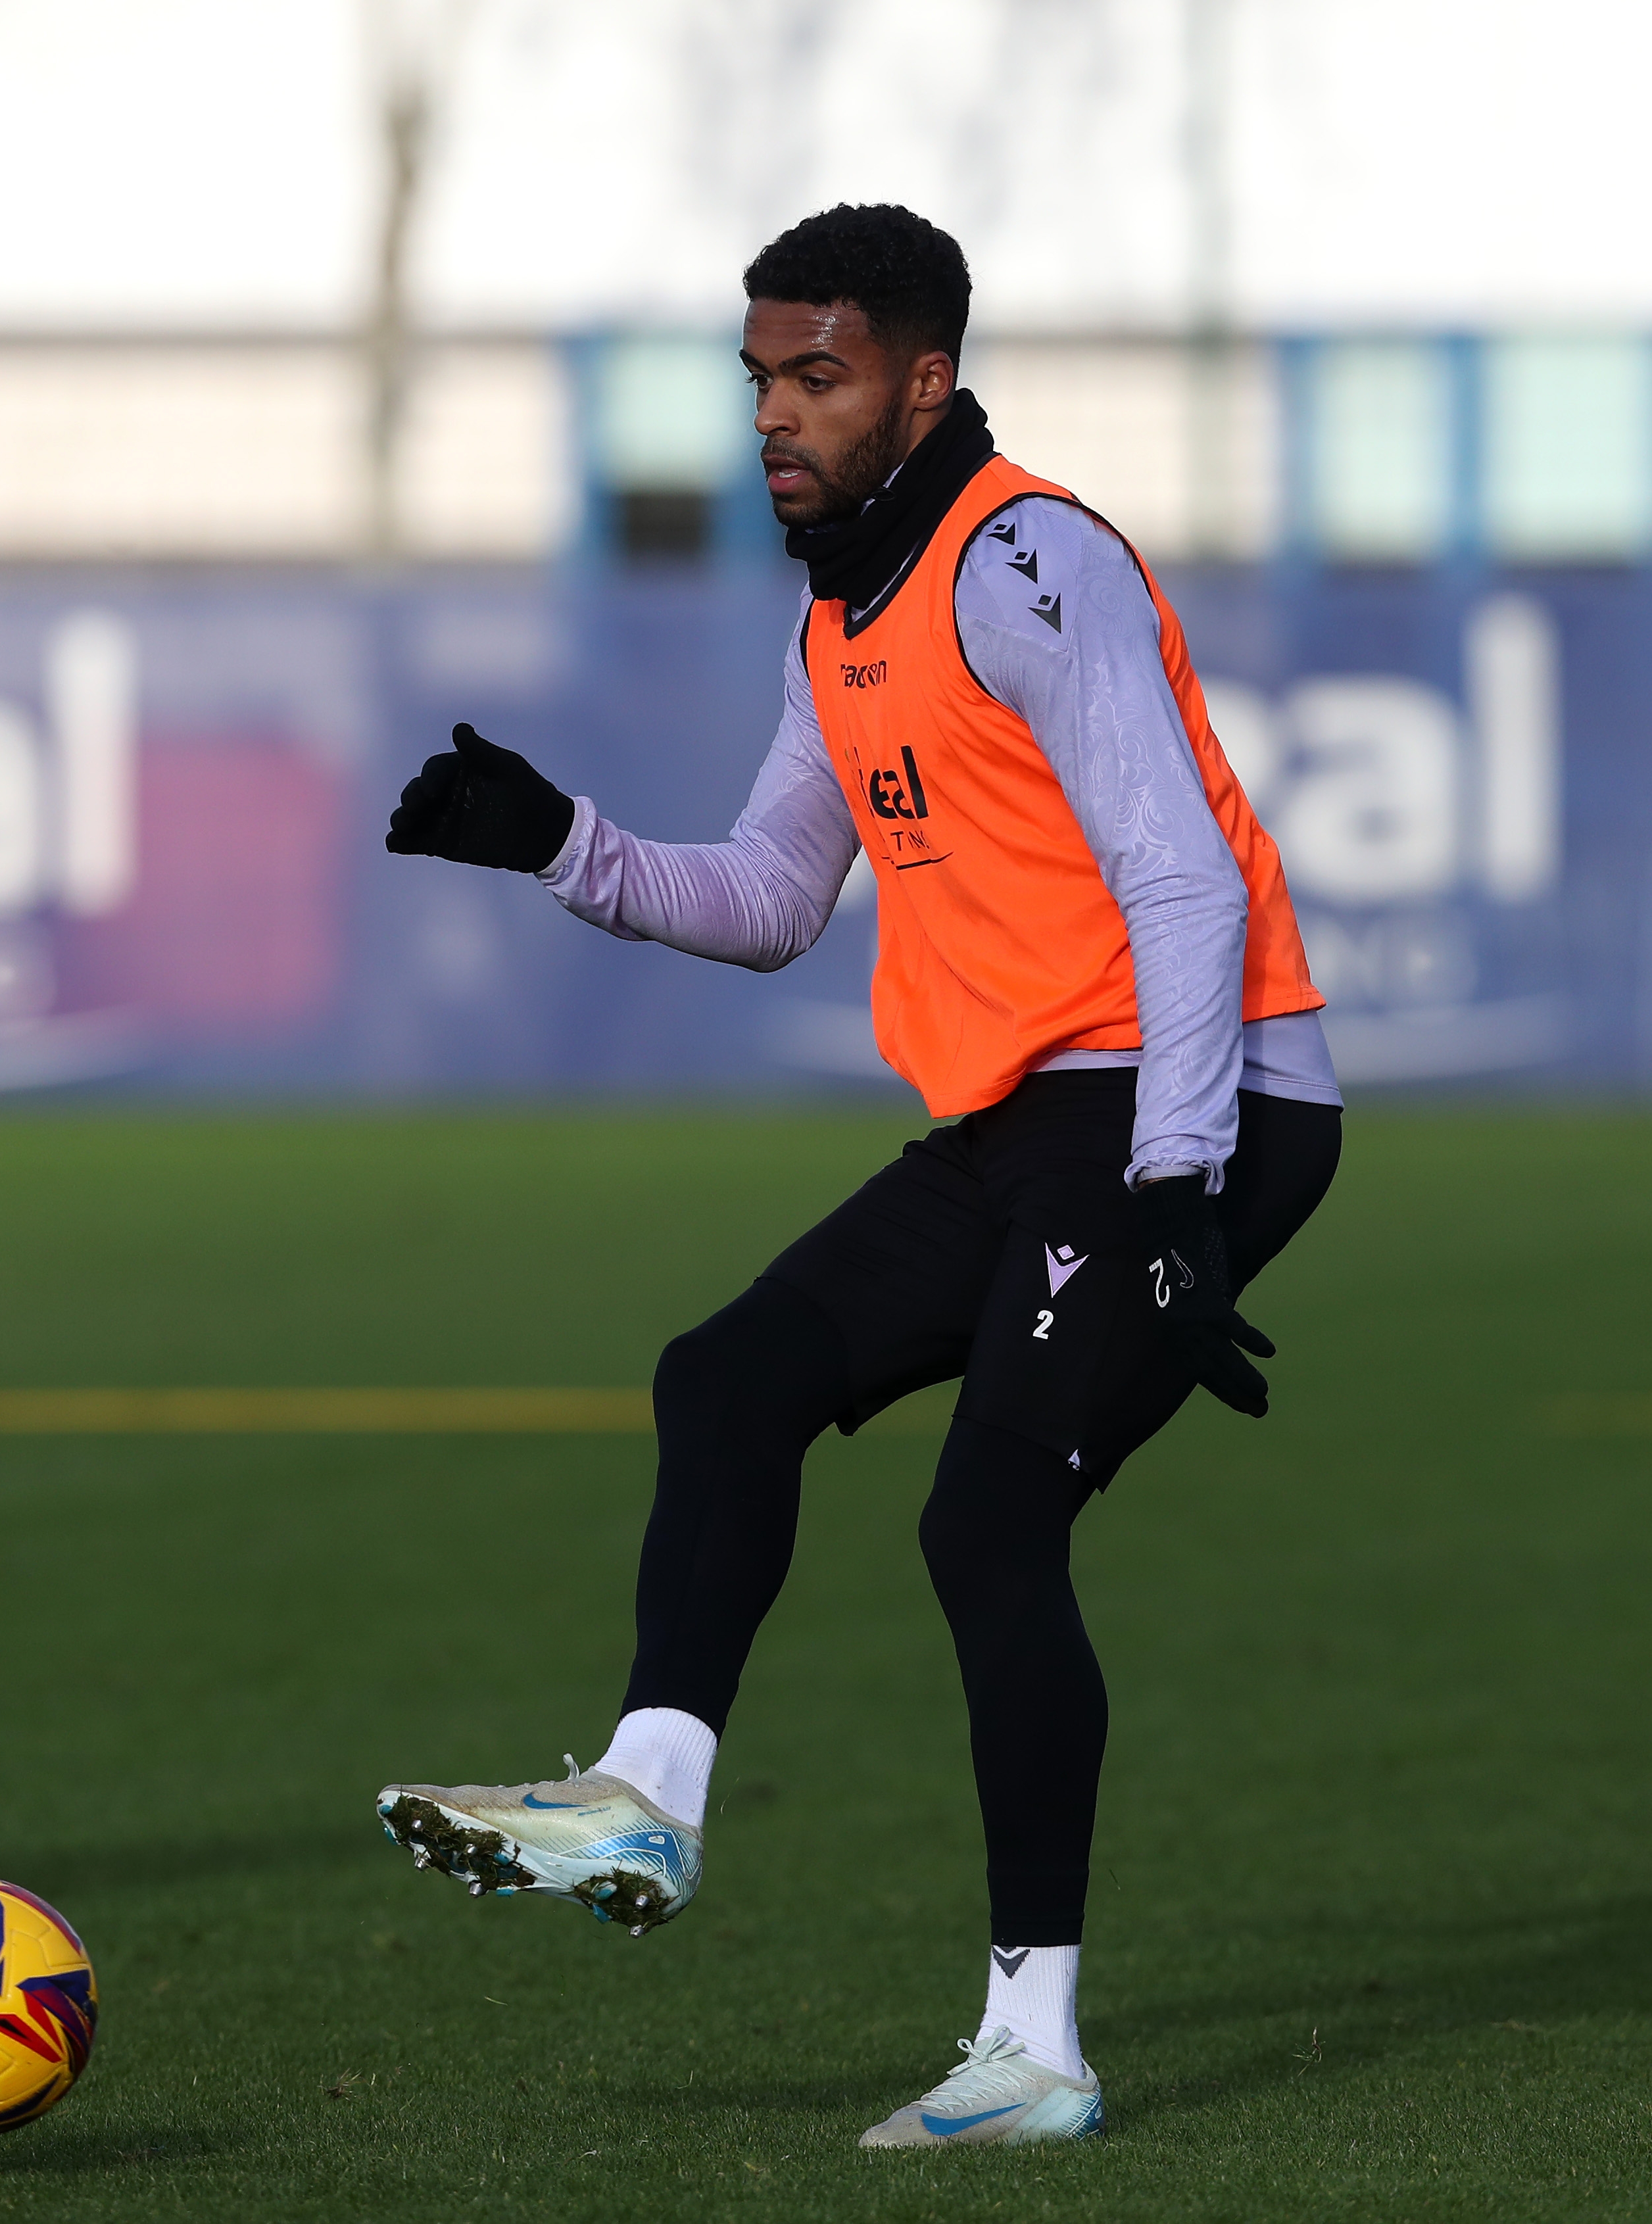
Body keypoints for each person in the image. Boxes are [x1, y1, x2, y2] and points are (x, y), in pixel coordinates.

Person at [374, 203, 1342, 2148]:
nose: (772, 416)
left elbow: (1178, 873)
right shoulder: (840, 614)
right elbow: (764, 897)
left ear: (921, 378)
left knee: (985, 1529)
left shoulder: (1025, 561)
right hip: (1027, 1116)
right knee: (723, 1376)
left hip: (1182, 1098)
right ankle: (645, 1798)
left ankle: (1035, 2053)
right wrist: (557, 838)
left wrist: (1179, 1183)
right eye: (756, 379)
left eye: (813, 376)